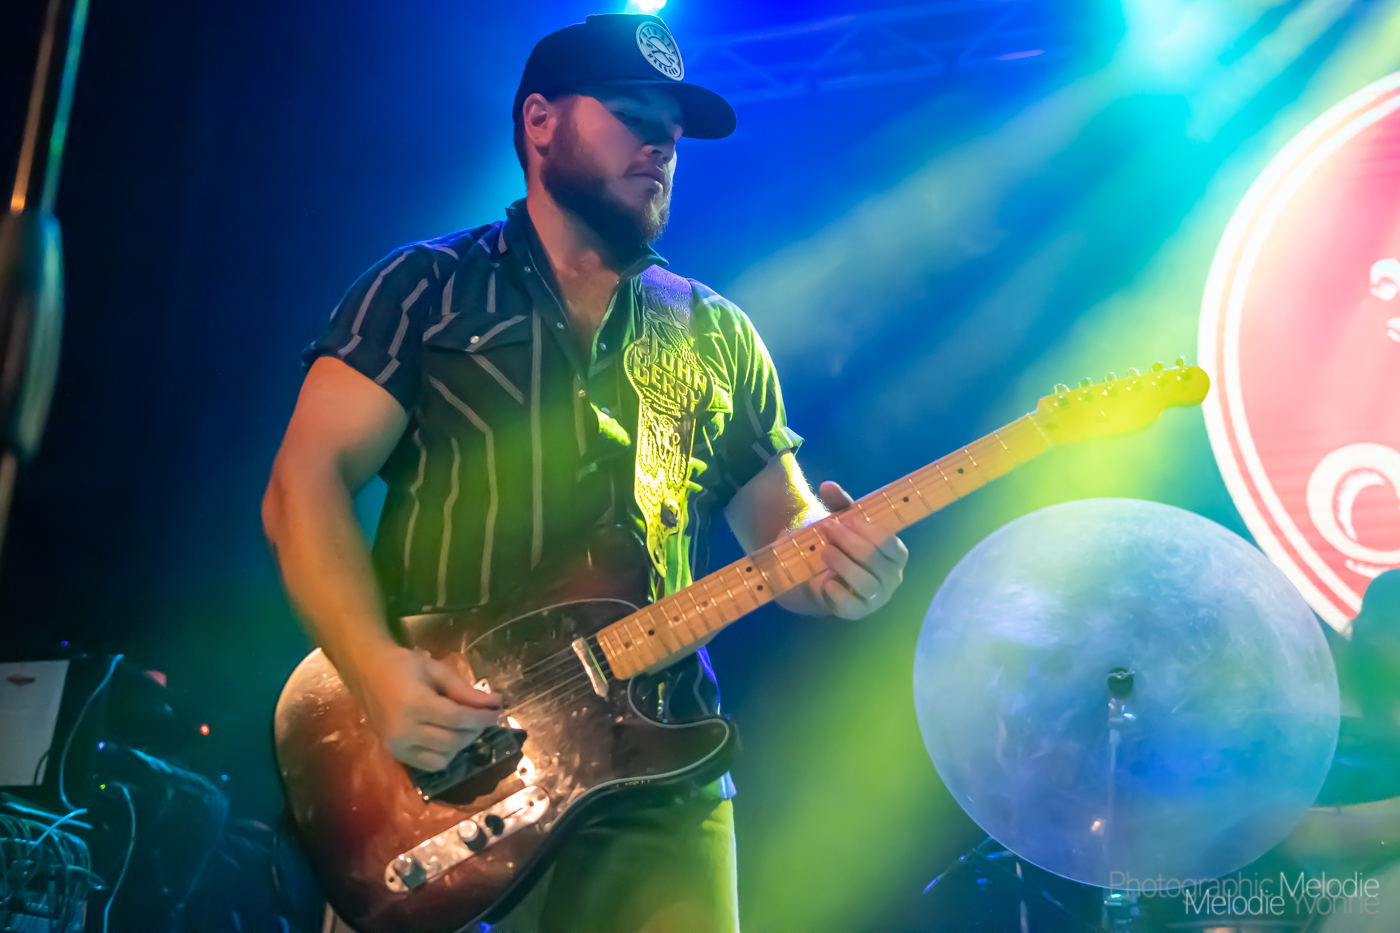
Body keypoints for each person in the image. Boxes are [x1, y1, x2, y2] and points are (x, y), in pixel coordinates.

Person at [261, 13, 908, 932]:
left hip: (662, 774)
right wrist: (374, 672)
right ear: (540, 122)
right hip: (451, 774)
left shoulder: (715, 333)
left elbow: (787, 529)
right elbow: (302, 488)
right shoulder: (422, 290)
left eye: (672, 133)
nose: (662, 145)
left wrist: (840, 562)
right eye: (633, 116)